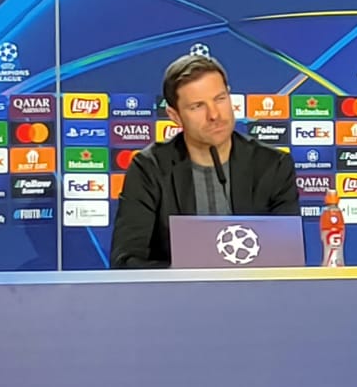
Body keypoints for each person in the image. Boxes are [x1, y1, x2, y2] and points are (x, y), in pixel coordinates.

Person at [110, 53, 299, 268]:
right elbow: (126, 261)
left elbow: (287, 259)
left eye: (220, 99)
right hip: (178, 298)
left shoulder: (273, 165)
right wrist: (186, 276)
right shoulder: (149, 169)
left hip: (256, 297)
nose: (214, 115)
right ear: (175, 116)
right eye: (197, 106)